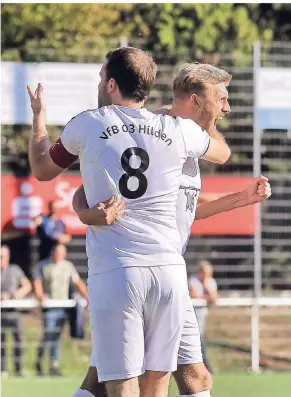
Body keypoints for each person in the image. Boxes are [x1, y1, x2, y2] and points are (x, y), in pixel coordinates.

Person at [27, 47, 231, 397]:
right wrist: (206, 112)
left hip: (118, 270)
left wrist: (39, 118)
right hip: (168, 272)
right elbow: (221, 152)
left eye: (101, 75)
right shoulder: (175, 128)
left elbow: (43, 169)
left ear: (111, 85)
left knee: (121, 386)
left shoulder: (90, 122)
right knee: (157, 386)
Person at [71, 61, 271, 397]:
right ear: (196, 100)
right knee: (167, 380)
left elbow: (191, 209)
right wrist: (85, 213)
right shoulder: (162, 134)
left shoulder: (182, 140)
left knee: (118, 380)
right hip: (145, 275)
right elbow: (85, 192)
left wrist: (242, 198)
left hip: (158, 276)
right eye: (221, 99)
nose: (227, 107)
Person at [33, 243, 88, 376]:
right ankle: (39, 361)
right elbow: (37, 282)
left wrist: (87, 296)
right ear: (53, 252)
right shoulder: (43, 266)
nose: (59, 254)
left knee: (57, 337)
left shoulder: (68, 266)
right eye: (57, 252)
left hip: (63, 306)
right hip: (49, 306)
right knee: (48, 335)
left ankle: (53, 365)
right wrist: (40, 296)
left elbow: (77, 282)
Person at [1, 245, 32, 377]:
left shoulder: (15, 269)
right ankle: (2, 370)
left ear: (8, 257)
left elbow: (27, 285)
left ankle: (18, 369)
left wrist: (17, 293)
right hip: (0, 312)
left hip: (14, 311)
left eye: (2, 256)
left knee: (18, 340)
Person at [188, 261, 219, 373]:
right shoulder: (193, 280)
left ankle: (203, 364)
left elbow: (214, 297)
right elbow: (194, 295)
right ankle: (201, 364)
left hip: (201, 313)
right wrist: (208, 297)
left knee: (199, 337)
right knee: (195, 337)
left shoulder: (210, 281)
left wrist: (206, 286)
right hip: (191, 313)